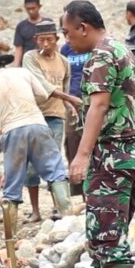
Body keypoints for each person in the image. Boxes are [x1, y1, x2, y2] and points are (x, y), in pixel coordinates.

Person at [61, 0, 135, 268]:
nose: (67, 40)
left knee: (108, 233)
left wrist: (81, 155)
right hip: (130, 153)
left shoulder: (101, 55)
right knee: (103, 229)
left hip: (114, 154)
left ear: (83, 27)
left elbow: (98, 107)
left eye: (68, 33)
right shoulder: (121, 49)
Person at [0, 46, 77, 214]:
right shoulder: (23, 73)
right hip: (37, 124)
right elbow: (43, 95)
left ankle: (10, 237)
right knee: (55, 170)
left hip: (12, 130)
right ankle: (67, 213)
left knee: (12, 182)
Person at [22, 21, 72, 220]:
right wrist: (68, 98)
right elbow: (40, 84)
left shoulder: (64, 62)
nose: (45, 44)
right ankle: (35, 211)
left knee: (53, 160)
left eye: (49, 40)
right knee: (32, 164)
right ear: (36, 40)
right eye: (41, 39)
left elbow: (66, 86)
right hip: (33, 115)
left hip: (56, 116)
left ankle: (58, 207)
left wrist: (67, 105)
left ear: (56, 40)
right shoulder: (30, 58)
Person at [61, 40, 90, 197]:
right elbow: (63, 77)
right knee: (72, 141)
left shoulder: (90, 47)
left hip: (90, 99)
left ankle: (92, 187)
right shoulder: (66, 49)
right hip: (72, 100)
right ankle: (78, 189)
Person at [12, 0, 51, 67]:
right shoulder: (21, 26)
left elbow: (53, 43)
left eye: (33, 8)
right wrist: (16, 67)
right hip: (27, 64)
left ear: (39, 7)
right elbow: (18, 48)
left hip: (46, 63)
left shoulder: (47, 24)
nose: (31, 11)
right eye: (28, 9)